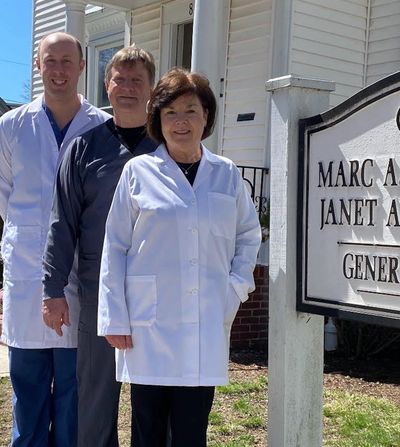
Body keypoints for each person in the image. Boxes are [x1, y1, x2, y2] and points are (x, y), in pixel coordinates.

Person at [97, 68, 262, 447]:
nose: (181, 121)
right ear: (157, 119)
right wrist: (115, 316)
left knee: (192, 432)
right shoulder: (137, 171)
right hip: (148, 328)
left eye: (191, 110)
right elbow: (115, 246)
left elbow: (248, 235)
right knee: (148, 432)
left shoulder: (227, 174)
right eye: (170, 112)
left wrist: (235, 288)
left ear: (207, 116)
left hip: (204, 321)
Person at [41, 45, 158, 447]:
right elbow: (63, 224)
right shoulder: (83, 148)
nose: (127, 88)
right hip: (99, 293)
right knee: (94, 398)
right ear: (106, 85)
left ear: (151, 89)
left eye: (136, 80)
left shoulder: (168, 151)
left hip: (157, 295)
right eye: (119, 79)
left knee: (156, 398)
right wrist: (52, 289)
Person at [0, 32, 110, 446]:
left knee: (72, 390)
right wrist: (32, 233)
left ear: (82, 66)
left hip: (81, 273)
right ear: (38, 66)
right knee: (27, 389)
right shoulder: (10, 126)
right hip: (28, 273)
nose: (59, 70)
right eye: (51, 61)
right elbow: (4, 194)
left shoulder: (101, 126)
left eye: (68, 61)